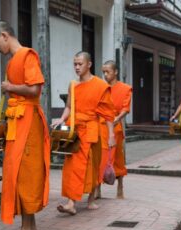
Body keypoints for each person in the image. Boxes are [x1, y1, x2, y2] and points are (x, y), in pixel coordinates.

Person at [0, 20, 50, 230]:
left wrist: (10, 88)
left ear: (5, 35)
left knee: (27, 173)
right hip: (17, 121)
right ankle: (30, 229)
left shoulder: (27, 55)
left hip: (29, 121)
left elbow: (35, 89)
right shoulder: (12, 62)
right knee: (18, 171)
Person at [51, 51, 116, 215]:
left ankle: (91, 199)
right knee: (73, 166)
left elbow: (108, 114)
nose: (77, 67)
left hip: (91, 129)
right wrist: (61, 119)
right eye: (75, 64)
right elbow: (69, 106)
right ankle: (71, 202)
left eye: (80, 64)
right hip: (74, 130)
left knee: (93, 167)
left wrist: (111, 135)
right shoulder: (73, 84)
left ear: (89, 64)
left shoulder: (100, 86)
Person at [96, 60, 132, 199]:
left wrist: (117, 118)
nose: (105, 75)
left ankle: (120, 186)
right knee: (100, 157)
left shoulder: (125, 88)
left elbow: (125, 108)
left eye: (108, 72)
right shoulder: (100, 88)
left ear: (115, 72)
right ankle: (97, 188)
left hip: (115, 126)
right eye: (103, 72)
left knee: (117, 157)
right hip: (101, 126)